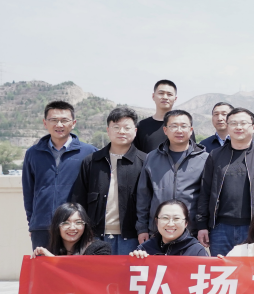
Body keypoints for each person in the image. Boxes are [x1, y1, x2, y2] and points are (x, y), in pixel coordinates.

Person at [197, 107, 254, 258]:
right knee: (221, 269)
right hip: (220, 228)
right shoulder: (215, 155)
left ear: (253, 127)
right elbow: (205, 191)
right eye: (233, 123)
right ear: (228, 127)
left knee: (251, 270)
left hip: (253, 226)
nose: (238, 127)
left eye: (243, 123)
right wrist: (202, 225)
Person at [69, 107, 147, 256]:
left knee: (127, 272)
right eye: (116, 127)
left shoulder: (145, 161)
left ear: (135, 131)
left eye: (127, 128)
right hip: (95, 236)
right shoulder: (92, 161)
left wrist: (145, 230)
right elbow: (79, 200)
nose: (121, 131)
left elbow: (149, 200)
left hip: (132, 237)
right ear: (108, 130)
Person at [22, 101, 97, 250]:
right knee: (44, 264)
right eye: (54, 120)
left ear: (73, 123)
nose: (59, 125)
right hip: (42, 227)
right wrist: (33, 222)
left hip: (75, 228)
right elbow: (28, 191)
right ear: (45, 123)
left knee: (75, 265)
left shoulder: (89, 152)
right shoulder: (33, 153)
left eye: (64, 120)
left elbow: (96, 190)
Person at [135, 110, 209, 245]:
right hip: (157, 231)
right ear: (165, 130)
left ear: (191, 130)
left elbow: (207, 197)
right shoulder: (152, 157)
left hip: (191, 232)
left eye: (183, 126)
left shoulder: (204, 159)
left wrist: (203, 226)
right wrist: (142, 228)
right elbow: (143, 196)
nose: (179, 130)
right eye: (174, 126)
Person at [134, 80, 195, 153]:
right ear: (153, 96)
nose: (165, 97)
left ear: (175, 99)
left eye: (169, 94)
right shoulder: (142, 125)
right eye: (161, 93)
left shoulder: (184, 127)